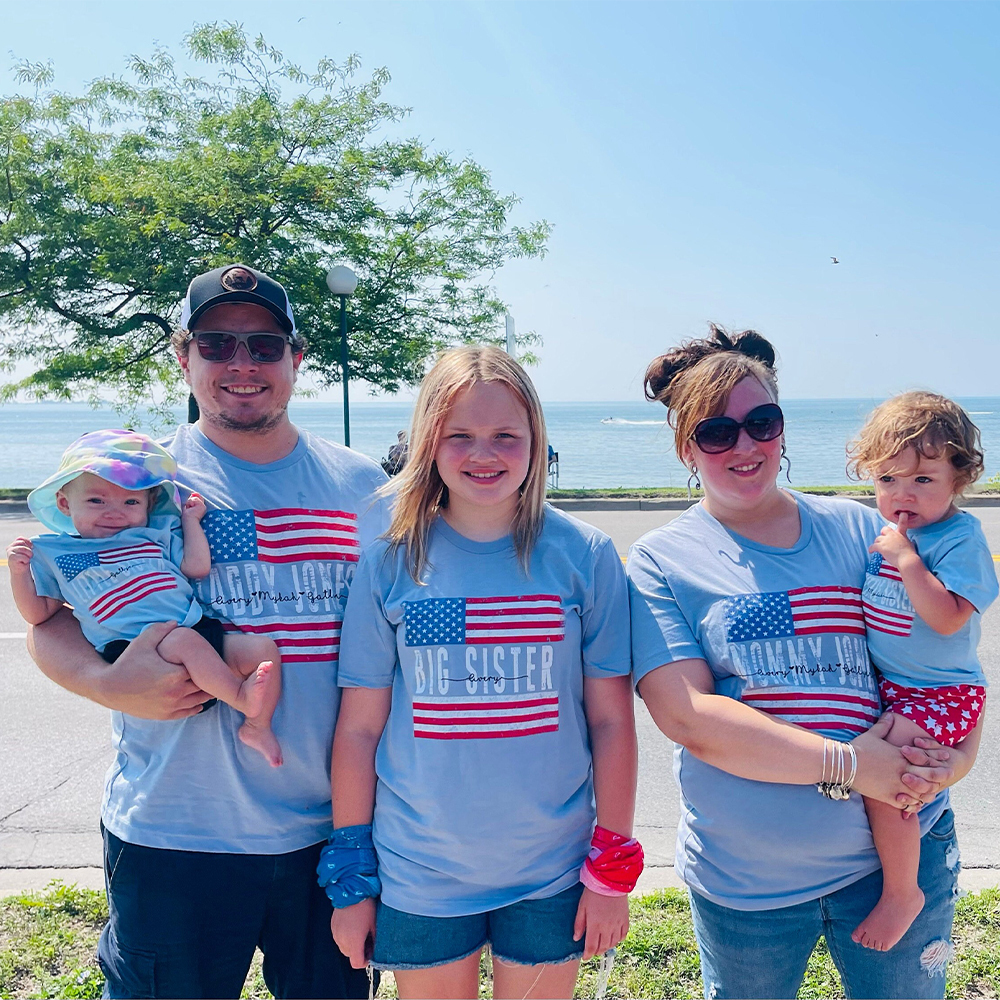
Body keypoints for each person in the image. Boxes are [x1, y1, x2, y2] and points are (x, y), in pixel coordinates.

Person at [27, 264, 385, 999]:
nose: (241, 364)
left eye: (264, 346)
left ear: (297, 358)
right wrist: (103, 681)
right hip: (173, 830)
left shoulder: (367, 490)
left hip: (335, 830)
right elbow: (51, 617)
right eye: (217, 344)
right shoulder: (135, 482)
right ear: (182, 357)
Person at [626, 324, 981, 999]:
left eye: (762, 422)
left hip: (896, 859)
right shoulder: (659, 560)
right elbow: (689, 715)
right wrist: (850, 764)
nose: (746, 445)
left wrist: (958, 760)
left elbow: (943, 657)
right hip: (745, 881)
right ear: (685, 447)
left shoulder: (862, 529)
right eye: (716, 432)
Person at [325, 346, 640, 1000]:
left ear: (536, 441)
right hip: (419, 870)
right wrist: (351, 878)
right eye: (459, 436)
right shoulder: (389, 563)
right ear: (428, 443)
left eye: (505, 436)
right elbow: (358, 731)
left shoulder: (585, 555)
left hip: (554, 870)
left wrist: (611, 869)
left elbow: (611, 722)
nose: (483, 454)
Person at [7, 430, 282, 766]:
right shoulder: (57, 552)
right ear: (64, 503)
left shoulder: (153, 535)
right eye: (96, 501)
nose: (115, 512)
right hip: (133, 650)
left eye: (131, 502)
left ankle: (257, 726)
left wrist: (190, 521)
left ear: (149, 505)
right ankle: (239, 696)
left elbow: (196, 567)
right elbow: (39, 615)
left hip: (195, 631)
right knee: (182, 640)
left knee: (263, 651)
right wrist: (19, 573)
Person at [846, 392, 996, 951]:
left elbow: (949, 618)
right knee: (882, 771)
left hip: (941, 692)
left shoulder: (958, 539)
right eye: (887, 479)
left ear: (960, 479)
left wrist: (907, 558)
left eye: (923, 480)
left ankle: (902, 892)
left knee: (887, 780)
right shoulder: (886, 531)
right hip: (899, 688)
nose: (902, 494)